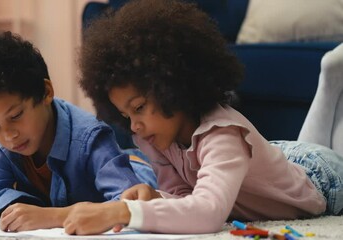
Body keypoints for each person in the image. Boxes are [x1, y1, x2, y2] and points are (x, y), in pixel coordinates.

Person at [63, 0, 343, 235]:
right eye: (125, 115)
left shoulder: (223, 134)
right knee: (289, 161)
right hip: (275, 159)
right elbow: (187, 200)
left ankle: (330, 81)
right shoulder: (157, 138)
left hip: (319, 178)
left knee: (328, 159)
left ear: (171, 86)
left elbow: (207, 213)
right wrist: (156, 197)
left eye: (138, 108)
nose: (133, 126)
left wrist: (124, 211)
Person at [0, 31, 157, 232]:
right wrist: (24, 211)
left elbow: (130, 204)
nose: (9, 135)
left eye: (16, 116)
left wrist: (50, 216)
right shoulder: (0, 139)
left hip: (140, 171)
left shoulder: (91, 138)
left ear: (46, 92)